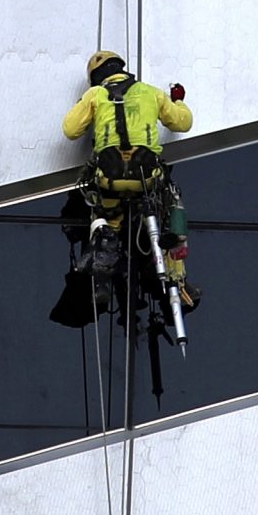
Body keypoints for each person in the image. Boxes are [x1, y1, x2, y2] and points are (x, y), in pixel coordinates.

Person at [61, 50, 198, 319]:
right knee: (168, 216)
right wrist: (178, 101)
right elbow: (183, 123)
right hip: (147, 181)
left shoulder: (96, 95)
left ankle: (103, 279)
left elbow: (70, 129)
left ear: (97, 78)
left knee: (106, 226)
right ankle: (178, 285)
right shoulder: (151, 92)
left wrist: (83, 104)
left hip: (109, 181)